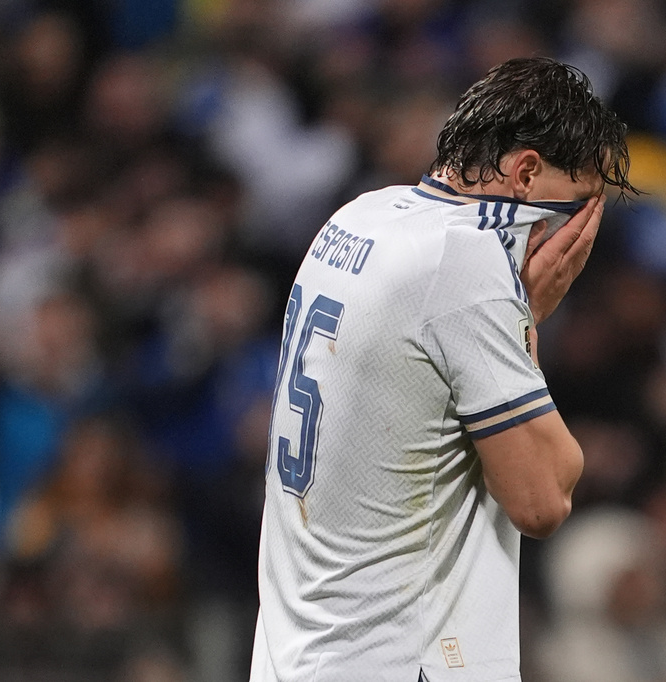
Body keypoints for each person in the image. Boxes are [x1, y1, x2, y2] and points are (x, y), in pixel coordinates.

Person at [249, 56, 635, 682]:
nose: (573, 240)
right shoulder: (464, 262)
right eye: (576, 213)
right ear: (527, 171)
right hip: (396, 658)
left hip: (297, 654)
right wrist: (527, 319)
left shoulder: (358, 218)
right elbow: (544, 499)